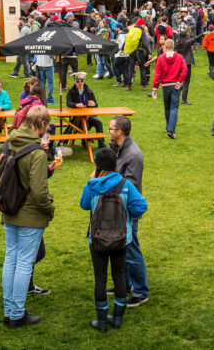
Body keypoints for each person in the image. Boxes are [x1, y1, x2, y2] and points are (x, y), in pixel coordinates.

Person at [80, 147, 148, 332]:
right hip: (121, 240)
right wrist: (128, 215)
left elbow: (84, 204)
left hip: (97, 240)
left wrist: (91, 180)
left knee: (100, 278)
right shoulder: (125, 184)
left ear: (98, 165)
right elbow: (142, 205)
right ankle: (117, 319)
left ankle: (101, 321)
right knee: (118, 277)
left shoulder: (92, 185)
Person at [1, 106, 55, 328]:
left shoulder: (9, 141)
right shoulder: (37, 153)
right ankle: (17, 315)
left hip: (9, 209)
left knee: (11, 259)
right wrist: (49, 209)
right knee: (24, 263)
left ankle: (9, 311)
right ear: (41, 125)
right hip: (30, 215)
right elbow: (39, 192)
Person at [108, 116, 148, 308]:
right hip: (116, 206)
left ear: (120, 132)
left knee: (131, 250)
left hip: (127, 209)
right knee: (120, 248)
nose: (108, 131)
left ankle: (141, 291)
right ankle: (123, 285)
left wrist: (108, 181)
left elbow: (130, 186)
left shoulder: (133, 154)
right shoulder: (117, 147)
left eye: (111, 129)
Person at [151, 39, 188, 140]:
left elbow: (157, 73)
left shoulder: (161, 58)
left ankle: (169, 128)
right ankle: (171, 129)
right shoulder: (179, 57)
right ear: (173, 46)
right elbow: (185, 70)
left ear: (164, 47)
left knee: (167, 107)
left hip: (165, 85)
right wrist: (179, 82)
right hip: (175, 85)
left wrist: (155, 87)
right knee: (174, 107)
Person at [66, 72, 106, 147]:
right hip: (76, 117)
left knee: (98, 122)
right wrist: (76, 105)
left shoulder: (89, 91)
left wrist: (93, 104)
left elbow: (96, 105)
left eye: (82, 81)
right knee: (85, 124)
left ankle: (101, 144)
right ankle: (84, 143)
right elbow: (68, 103)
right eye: (78, 81)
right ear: (74, 82)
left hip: (89, 115)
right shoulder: (71, 92)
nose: (80, 83)